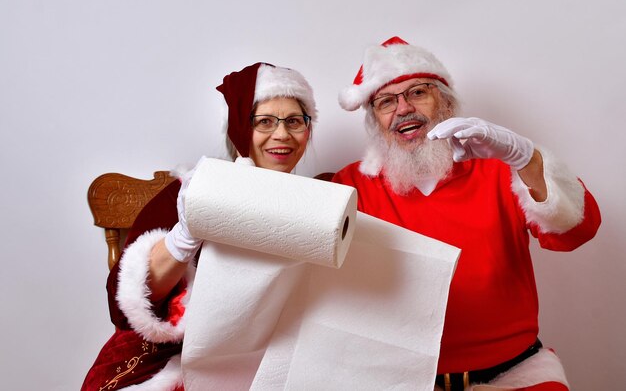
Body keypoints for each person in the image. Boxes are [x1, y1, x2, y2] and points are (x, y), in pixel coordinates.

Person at [332, 36, 601, 391]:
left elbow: (577, 231)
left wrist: (528, 160)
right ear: (374, 120)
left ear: (444, 101)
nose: (402, 109)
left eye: (417, 93)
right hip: (401, 381)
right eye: (386, 101)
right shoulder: (353, 183)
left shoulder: (501, 167)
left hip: (517, 376)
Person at [82, 62, 317, 391]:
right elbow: (124, 308)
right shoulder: (188, 192)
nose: (282, 134)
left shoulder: (318, 205)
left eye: (294, 121)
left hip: (268, 359)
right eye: (264, 121)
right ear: (239, 129)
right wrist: (185, 235)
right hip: (176, 359)